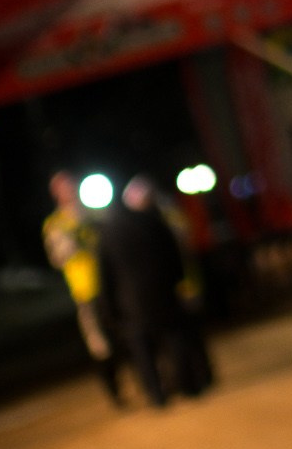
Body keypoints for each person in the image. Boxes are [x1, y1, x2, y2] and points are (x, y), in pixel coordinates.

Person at [97, 174, 212, 408]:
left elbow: (105, 273)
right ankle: (186, 384)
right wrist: (178, 283)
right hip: (163, 293)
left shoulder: (108, 232)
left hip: (130, 302)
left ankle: (157, 396)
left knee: (143, 351)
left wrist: (108, 308)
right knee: (174, 338)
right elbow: (174, 255)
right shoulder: (154, 221)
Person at [41, 170, 121, 406]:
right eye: (62, 186)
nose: (68, 189)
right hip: (85, 292)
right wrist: (73, 239)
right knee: (100, 345)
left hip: (112, 283)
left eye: (70, 184)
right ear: (54, 193)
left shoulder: (95, 211)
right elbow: (56, 258)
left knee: (128, 332)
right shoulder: (55, 224)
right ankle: (114, 392)